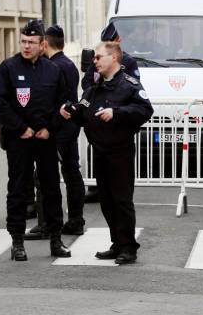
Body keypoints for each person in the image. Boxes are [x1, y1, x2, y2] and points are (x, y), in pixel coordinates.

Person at [61, 40, 153, 264]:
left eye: (98, 57)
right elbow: (82, 111)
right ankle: (117, 242)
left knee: (122, 201)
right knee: (107, 201)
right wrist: (70, 112)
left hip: (119, 152)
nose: (94, 61)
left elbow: (145, 109)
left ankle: (128, 247)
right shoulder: (96, 87)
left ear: (113, 58)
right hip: (100, 152)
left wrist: (117, 113)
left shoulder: (129, 85)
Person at [0, 19, 71, 261]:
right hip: (20, 139)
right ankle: (17, 241)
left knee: (51, 189)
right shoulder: (8, 68)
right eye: (23, 41)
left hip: (45, 138)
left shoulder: (53, 70)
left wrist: (50, 128)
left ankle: (56, 238)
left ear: (42, 44)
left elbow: (64, 104)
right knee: (17, 189)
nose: (26, 46)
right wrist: (20, 128)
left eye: (32, 42)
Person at [24, 25, 86, 240]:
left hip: (59, 128)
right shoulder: (68, 64)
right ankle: (75, 220)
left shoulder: (53, 67)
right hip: (69, 127)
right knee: (70, 172)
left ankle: (46, 225)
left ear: (45, 44)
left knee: (44, 175)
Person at [80, 23, 141, 203]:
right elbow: (87, 83)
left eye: (110, 41)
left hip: (117, 120)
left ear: (118, 41)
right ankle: (97, 187)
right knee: (97, 155)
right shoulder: (97, 60)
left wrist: (114, 102)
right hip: (99, 119)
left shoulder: (127, 61)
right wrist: (95, 96)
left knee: (121, 191)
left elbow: (133, 88)